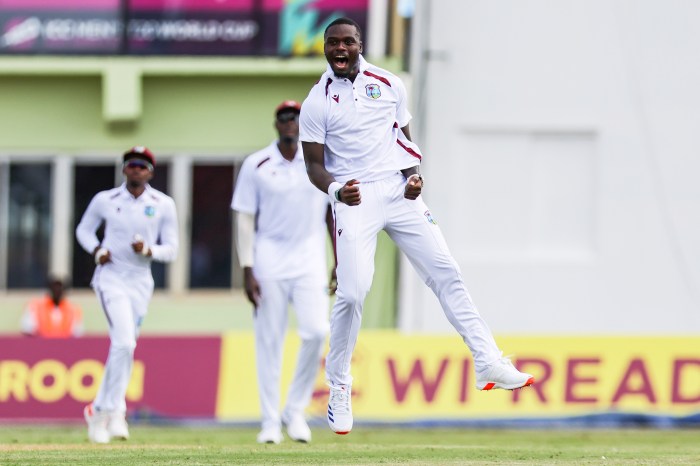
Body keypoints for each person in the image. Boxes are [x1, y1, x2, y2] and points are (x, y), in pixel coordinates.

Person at [299, 17, 534, 435]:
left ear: (359, 44)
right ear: (325, 48)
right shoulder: (317, 101)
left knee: (447, 273)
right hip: (354, 197)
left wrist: (414, 178)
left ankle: (488, 361)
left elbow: (404, 141)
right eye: (332, 43)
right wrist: (336, 191)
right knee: (353, 294)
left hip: (399, 193)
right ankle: (339, 385)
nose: (339, 49)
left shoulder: (388, 83)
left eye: (347, 42)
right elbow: (314, 166)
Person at [231, 100, 335, 444]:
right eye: (284, 118)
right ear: (276, 124)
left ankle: (295, 410)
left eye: (296, 118)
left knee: (317, 331)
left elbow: (331, 214)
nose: (291, 123)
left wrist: (340, 259)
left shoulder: (320, 161)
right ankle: (270, 422)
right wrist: (247, 269)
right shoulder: (256, 164)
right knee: (269, 341)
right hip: (269, 259)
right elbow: (245, 219)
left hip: (309, 259)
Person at [75, 146, 179, 444]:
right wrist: (97, 251)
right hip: (111, 279)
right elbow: (84, 230)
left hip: (140, 282)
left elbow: (171, 249)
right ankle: (101, 410)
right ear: (124, 169)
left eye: (143, 165)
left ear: (151, 172)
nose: (137, 169)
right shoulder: (106, 200)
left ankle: (114, 411)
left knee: (125, 347)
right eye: (132, 164)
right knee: (124, 341)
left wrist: (148, 250)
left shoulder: (162, 204)